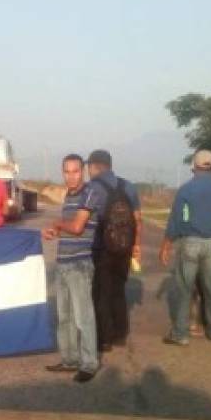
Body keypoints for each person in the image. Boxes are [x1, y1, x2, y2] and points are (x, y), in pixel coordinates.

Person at [159, 150, 211, 347]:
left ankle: (180, 334)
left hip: (189, 243)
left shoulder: (186, 189)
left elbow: (177, 219)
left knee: (185, 290)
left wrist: (166, 245)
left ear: (194, 166)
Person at [41, 154, 105, 383]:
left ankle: (89, 363)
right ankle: (69, 359)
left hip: (80, 264)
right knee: (64, 317)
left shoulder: (90, 193)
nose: (71, 176)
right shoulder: (69, 196)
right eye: (66, 172)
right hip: (63, 263)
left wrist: (57, 224)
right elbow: (69, 228)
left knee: (83, 318)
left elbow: (77, 227)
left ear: (84, 171)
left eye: (75, 171)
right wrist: (55, 232)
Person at [85, 149, 141, 351]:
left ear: (95, 166)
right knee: (118, 290)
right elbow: (137, 218)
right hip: (124, 247)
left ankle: (104, 338)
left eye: (88, 167)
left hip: (103, 248)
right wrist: (135, 245)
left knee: (101, 292)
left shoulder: (92, 188)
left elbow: (85, 220)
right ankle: (120, 334)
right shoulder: (128, 186)